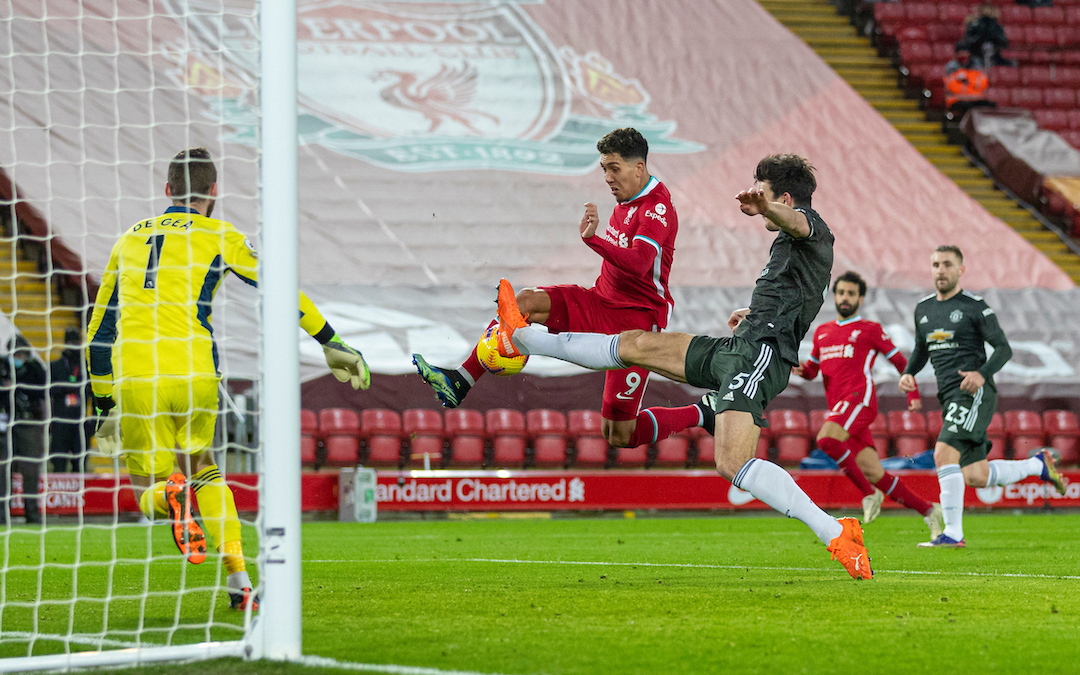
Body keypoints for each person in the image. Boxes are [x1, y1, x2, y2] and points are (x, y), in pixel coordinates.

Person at [494, 154, 873, 580]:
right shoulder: (792, 246)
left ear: (782, 197)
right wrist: (752, 313)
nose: (758, 200)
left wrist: (768, 208)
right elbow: (794, 298)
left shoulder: (810, 226)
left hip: (760, 359)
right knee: (636, 344)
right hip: (741, 346)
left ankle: (835, 531)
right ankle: (521, 337)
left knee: (732, 464)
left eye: (763, 192)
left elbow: (798, 221)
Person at [86, 147, 371, 611]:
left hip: (138, 375)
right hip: (197, 372)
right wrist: (329, 339)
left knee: (147, 488)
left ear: (167, 191)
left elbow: (99, 334)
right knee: (206, 467)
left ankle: (168, 498)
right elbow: (279, 287)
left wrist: (104, 405)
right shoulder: (222, 235)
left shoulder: (129, 240)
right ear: (214, 191)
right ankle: (240, 581)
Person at [414, 128, 706, 452]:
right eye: (604, 169)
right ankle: (460, 380)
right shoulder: (626, 198)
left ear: (638, 168)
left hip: (635, 326)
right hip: (598, 302)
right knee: (522, 302)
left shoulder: (657, 208)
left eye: (614, 168)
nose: (608, 177)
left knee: (618, 434)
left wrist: (594, 241)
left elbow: (639, 263)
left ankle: (701, 412)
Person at [899, 245, 1065, 548]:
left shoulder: (975, 306)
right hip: (949, 396)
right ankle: (1038, 465)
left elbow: (1004, 349)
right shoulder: (923, 308)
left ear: (961, 270)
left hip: (973, 392)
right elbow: (921, 350)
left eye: (947, 264)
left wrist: (980, 374)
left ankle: (952, 534)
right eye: (936, 264)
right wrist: (909, 372)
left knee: (943, 453)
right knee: (976, 474)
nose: (940, 270)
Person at [793, 271, 943, 536]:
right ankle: (930, 511)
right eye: (841, 293)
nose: (845, 298)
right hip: (841, 409)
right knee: (875, 472)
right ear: (834, 296)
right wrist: (795, 368)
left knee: (826, 439)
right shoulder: (822, 332)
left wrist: (913, 393)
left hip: (859, 400)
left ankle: (867, 493)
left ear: (860, 298)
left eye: (851, 293)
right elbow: (811, 371)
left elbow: (900, 363)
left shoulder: (869, 330)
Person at [5, 336, 46, 525]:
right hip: (5, 426)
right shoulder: (3, 368)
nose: (18, 357)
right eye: (15, 353)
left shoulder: (35, 369)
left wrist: (17, 385)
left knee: (30, 472)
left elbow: (42, 391)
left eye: (21, 353)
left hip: (29, 424)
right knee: (3, 472)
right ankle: (2, 514)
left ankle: (32, 514)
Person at [49, 328, 90, 473]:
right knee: (58, 464)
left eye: (77, 342)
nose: (74, 345)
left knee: (80, 465)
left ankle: (79, 495)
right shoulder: (55, 366)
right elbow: (49, 390)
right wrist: (69, 388)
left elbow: (91, 391)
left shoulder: (86, 367)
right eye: (72, 342)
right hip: (60, 422)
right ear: (65, 343)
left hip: (80, 422)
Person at [956, 4, 1015, 69]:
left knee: (1012, 65)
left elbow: (1004, 43)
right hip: (976, 56)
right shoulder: (974, 26)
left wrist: (993, 37)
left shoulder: (997, 27)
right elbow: (968, 42)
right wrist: (980, 37)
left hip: (995, 57)